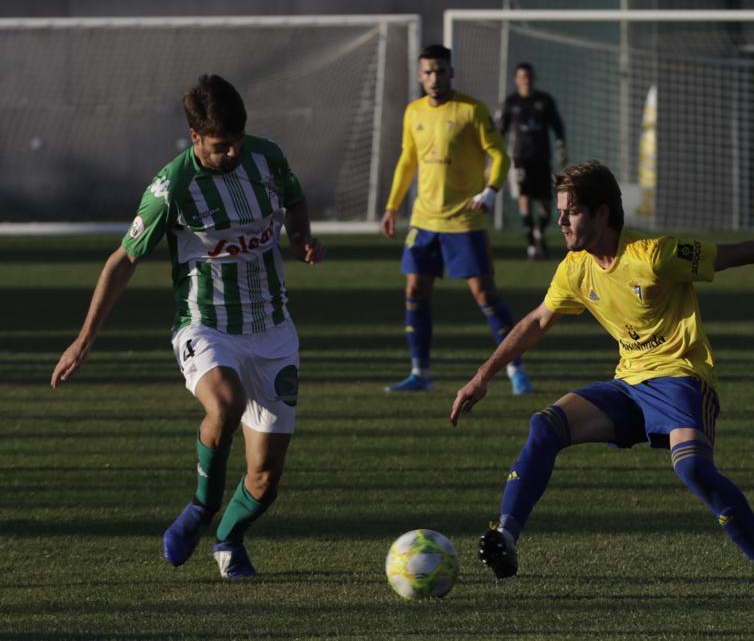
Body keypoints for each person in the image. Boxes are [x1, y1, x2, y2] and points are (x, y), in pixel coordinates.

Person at [450, 160, 754, 598]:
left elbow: (734, 253)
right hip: (628, 386)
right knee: (546, 424)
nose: (560, 221)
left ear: (601, 213)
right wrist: (483, 376)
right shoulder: (576, 267)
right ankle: (506, 536)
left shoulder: (654, 255)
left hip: (682, 380)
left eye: (571, 211)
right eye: (560, 211)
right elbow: (539, 321)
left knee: (692, 467)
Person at [50, 74, 325, 580]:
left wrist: (302, 236)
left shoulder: (267, 157)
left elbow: (294, 199)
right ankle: (201, 508)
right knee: (225, 404)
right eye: (222, 147)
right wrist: (84, 339)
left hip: (273, 329)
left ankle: (229, 539)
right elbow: (122, 261)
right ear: (194, 136)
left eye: (238, 141)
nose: (234, 153)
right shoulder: (170, 188)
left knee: (265, 479)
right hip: (206, 326)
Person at [381, 44, 532, 395]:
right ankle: (420, 373)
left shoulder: (472, 110)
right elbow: (407, 161)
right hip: (424, 220)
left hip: (464, 220)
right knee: (415, 291)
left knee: (484, 294)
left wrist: (491, 191)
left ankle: (516, 368)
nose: (435, 78)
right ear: (420, 76)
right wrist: (392, 207)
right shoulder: (413, 112)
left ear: (452, 73)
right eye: (429, 72)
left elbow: (500, 155)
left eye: (441, 71)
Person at [498, 62, 567, 261]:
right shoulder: (511, 102)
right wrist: (496, 155)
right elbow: (501, 130)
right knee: (524, 196)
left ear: (533, 78)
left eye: (528, 76)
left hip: (542, 157)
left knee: (546, 201)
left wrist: (561, 145)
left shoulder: (544, 101)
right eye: (521, 77)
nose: (525, 80)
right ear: (516, 80)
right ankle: (530, 242)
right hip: (520, 158)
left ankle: (540, 232)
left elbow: (557, 125)